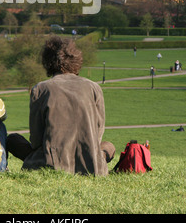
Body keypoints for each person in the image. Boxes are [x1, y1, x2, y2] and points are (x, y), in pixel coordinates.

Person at [7, 36, 115, 176]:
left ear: (47, 61)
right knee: (109, 146)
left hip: (50, 162)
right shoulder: (94, 87)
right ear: (76, 60)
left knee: (12, 139)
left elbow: (36, 140)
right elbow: (98, 133)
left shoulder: (40, 89)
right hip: (92, 165)